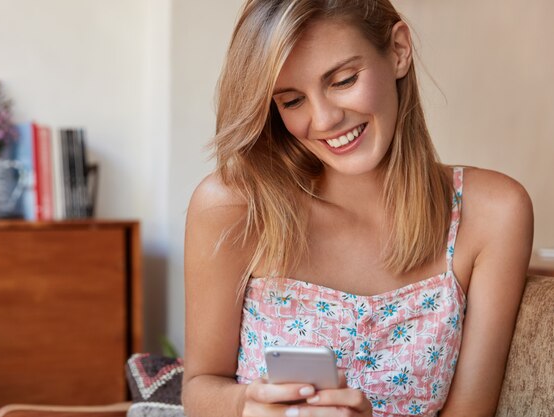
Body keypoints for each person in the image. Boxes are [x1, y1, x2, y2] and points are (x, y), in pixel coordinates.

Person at [182, 0, 534, 416]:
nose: (325, 118)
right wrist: (247, 405)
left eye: (343, 79)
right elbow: (200, 388)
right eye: (292, 101)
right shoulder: (234, 207)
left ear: (399, 50)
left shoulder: (492, 214)